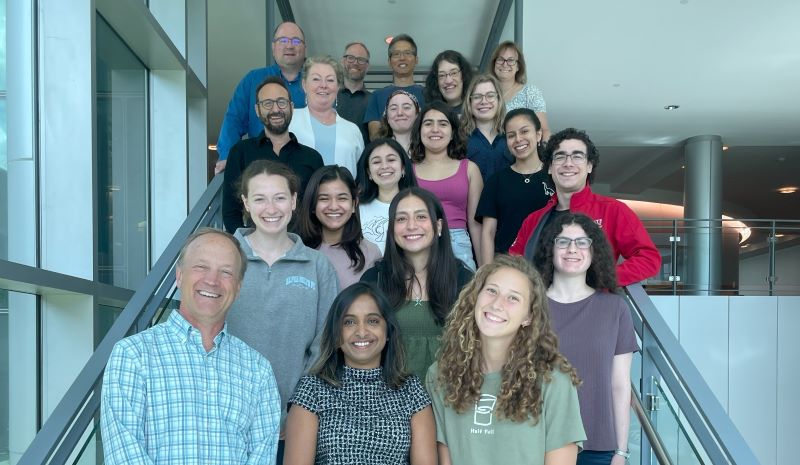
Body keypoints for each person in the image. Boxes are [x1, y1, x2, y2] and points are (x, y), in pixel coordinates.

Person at [101, 228, 281, 464]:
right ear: (179, 276)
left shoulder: (259, 370)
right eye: (201, 267)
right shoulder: (133, 355)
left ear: (238, 288)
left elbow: (262, 458)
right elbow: (124, 456)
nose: (212, 280)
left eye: (226, 272)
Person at [225, 160, 339, 461]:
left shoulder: (317, 266)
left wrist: (299, 410)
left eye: (279, 197)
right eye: (260, 198)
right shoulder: (225, 258)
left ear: (294, 201)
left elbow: (324, 344)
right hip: (227, 419)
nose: (270, 208)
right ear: (246, 203)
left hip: (293, 423)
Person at [425, 254, 586, 465]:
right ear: (475, 297)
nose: (497, 304)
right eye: (491, 290)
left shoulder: (553, 380)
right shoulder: (441, 374)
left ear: (529, 316)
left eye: (513, 298)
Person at [284, 282, 437, 465]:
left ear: (387, 330)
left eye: (372, 321)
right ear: (336, 333)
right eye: (349, 322)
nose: (362, 332)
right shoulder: (312, 390)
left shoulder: (411, 390)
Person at [534, 213, 639, 465]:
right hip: (537, 440)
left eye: (582, 242)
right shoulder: (530, 306)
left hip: (598, 445)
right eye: (563, 242)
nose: (573, 249)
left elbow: (620, 385)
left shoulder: (615, 309)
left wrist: (621, 451)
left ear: (594, 252)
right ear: (551, 249)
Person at [509, 127, 662, 286]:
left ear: (589, 166)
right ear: (549, 167)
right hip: (540, 307)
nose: (568, 163)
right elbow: (514, 264)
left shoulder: (613, 211)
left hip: (593, 306)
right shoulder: (534, 220)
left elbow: (649, 259)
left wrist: (601, 279)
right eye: (560, 157)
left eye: (577, 156)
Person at [360, 187, 473, 381]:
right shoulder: (374, 279)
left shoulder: (463, 280)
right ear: (392, 228)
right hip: (389, 399)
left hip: (448, 399)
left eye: (421, 217)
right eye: (401, 219)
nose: (411, 226)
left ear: (438, 226)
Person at [222, 76, 323, 233]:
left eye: (281, 102)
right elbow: (230, 211)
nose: (276, 110)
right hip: (253, 252)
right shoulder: (240, 151)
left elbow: (316, 211)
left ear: (291, 107)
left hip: (302, 251)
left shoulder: (312, 157)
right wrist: (247, 246)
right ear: (257, 110)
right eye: (267, 103)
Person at [216, 21, 308, 173]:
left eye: (296, 41)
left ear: (304, 48)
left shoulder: (316, 84)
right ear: (273, 47)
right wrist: (228, 157)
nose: (289, 46)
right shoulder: (253, 80)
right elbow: (234, 120)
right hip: (260, 169)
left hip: (303, 167)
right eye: (283, 40)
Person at [410, 101, 483, 270]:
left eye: (443, 124)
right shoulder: (407, 170)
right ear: (419, 131)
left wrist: (483, 268)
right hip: (418, 242)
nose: (435, 129)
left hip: (459, 245)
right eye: (428, 124)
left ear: (452, 133)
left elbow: (476, 224)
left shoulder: (470, 169)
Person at [476, 108, 553, 265]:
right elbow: (488, 233)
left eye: (524, 131)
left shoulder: (555, 176)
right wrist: (486, 272)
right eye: (511, 135)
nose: (518, 139)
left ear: (538, 135)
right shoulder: (496, 181)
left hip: (549, 264)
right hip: (506, 264)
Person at [297, 165, 382, 288]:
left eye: (342, 198)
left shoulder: (371, 253)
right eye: (324, 198)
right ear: (313, 205)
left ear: (354, 204)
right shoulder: (297, 251)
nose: (333, 206)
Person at [289, 56, 364, 175]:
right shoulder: (289, 120)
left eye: (330, 80)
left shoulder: (352, 130)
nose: (323, 85)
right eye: (316, 79)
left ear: (338, 87)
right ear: (304, 85)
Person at [356, 138, 418, 253]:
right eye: (376, 162)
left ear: (403, 167)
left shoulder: (420, 205)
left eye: (391, 160)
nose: (384, 166)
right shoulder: (357, 208)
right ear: (369, 172)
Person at [364, 34, 426, 141]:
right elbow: (375, 137)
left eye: (408, 53)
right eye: (396, 54)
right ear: (389, 61)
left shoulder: (428, 94)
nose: (402, 58)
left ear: (416, 59)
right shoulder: (376, 96)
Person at [490, 41, 552, 141]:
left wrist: (545, 155)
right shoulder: (485, 94)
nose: (505, 64)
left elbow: (544, 130)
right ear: (494, 64)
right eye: (500, 59)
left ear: (518, 66)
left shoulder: (530, 92)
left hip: (522, 151)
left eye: (511, 60)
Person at [461, 73, 512, 181]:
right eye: (477, 97)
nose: (484, 101)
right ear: (469, 102)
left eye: (490, 95)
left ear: (499, 99)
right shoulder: (459, 138)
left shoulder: (511, 135)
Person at [337, 42, 371, 144]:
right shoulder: (329, 96)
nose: (355, 63)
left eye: (361, 60)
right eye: (351, 58)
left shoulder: (374, 100)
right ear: (342, 61)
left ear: (367, 66)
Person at [423, 50, 474, 115]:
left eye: (454, 73)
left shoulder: (477, 110)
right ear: (436, 82)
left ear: (464, 75)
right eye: (442, 75)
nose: (448, 81)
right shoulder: (430, 113)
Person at [377, 89, 420, 155]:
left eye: (406, 107)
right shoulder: (376, 151)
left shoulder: (428, 149)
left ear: (417, 115)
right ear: (387, 117)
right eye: (393, 108)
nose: (400, 113)